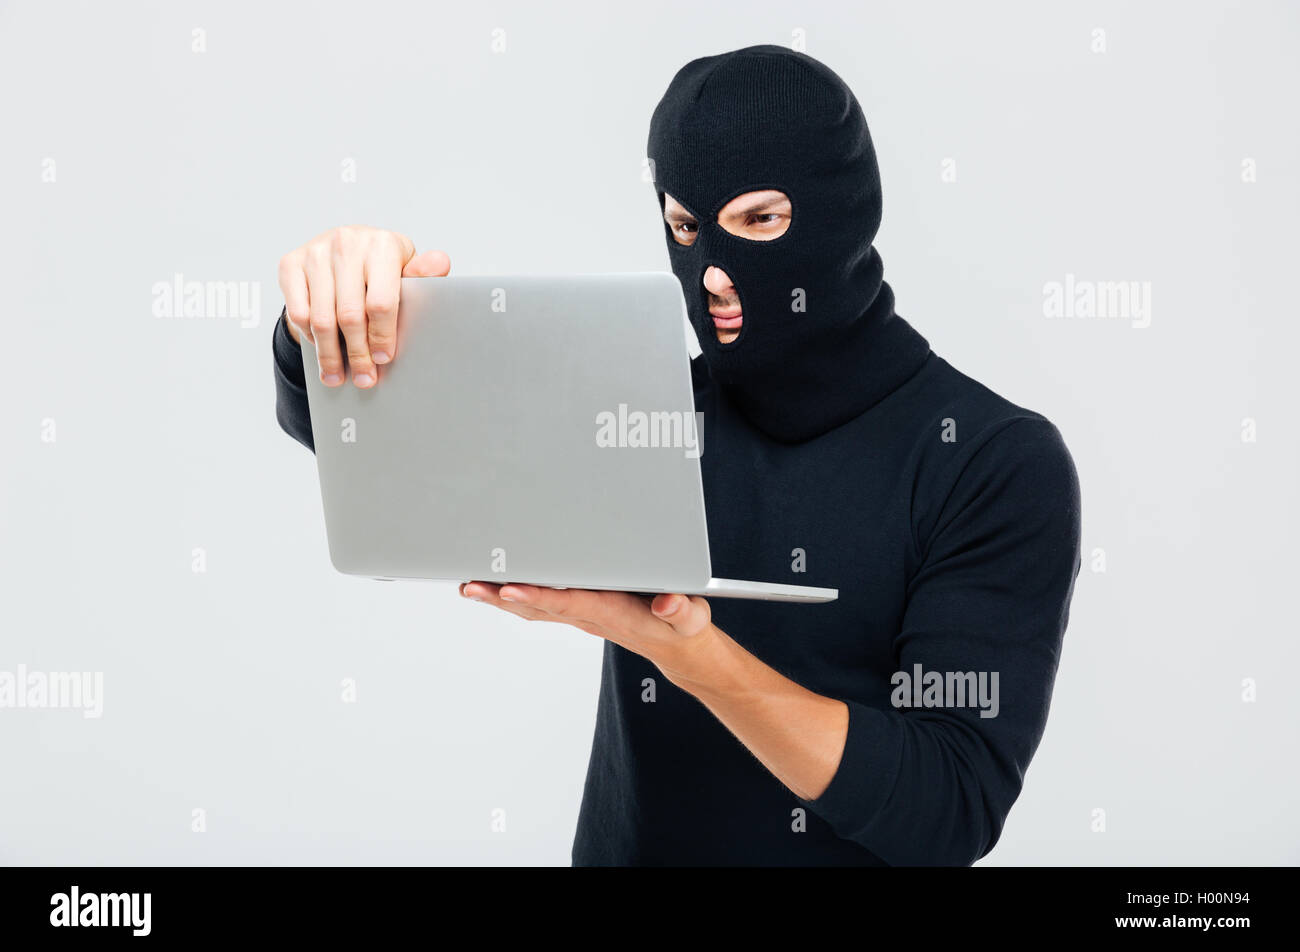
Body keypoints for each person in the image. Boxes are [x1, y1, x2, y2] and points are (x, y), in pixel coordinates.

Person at [271, 45, 1082, 866]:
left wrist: (686, 653)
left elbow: (947, 808)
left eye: (760, 220)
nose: (716, 276)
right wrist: (333, 324)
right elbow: (400, 464)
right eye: (686, 226)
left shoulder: (991, 461)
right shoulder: (650, 411)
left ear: (846, 209)